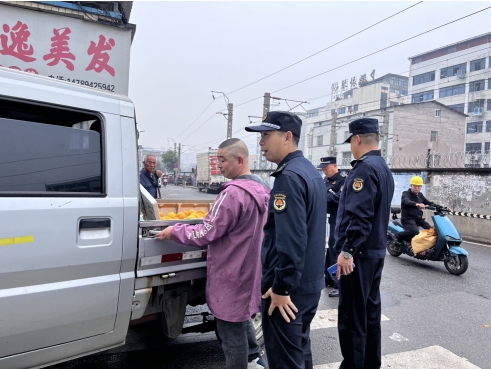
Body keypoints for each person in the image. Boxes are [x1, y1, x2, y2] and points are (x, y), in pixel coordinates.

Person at [155, 138, 269, 369]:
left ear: (239, 159)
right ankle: (255, 360)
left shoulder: (233, 194)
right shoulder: (264, 190)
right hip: (252, 269)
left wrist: (174, 231)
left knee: (230, 330)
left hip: (231, 272)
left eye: (222, 160)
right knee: (241, 316)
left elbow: (207, 232)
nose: (219, 166)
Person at [245, 111, 327, 369]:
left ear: (287, 137)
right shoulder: (309, 172)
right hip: (309, 284)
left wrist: (282, 288)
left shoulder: (288, 178)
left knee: (285, 362)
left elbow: (291, 240)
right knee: (300, 354)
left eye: (266, 136)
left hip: (289, 292)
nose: (261, 143)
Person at [334, 118, 395, 369]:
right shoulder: (383, 167)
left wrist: (347, 251)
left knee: (352, 317)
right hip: (375, 252)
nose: (351, 147)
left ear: (357, 139)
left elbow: (360, 216)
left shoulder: (363, 169)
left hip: (358, 256)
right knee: (370, 315)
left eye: (351, 142)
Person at [317, 156, 346, 297]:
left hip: (337, 220)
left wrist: (323, 197)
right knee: (328, 251)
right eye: (322, 169)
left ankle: (339, 284)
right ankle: (328, 277)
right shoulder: (326, 180)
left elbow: (340, 198)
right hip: (325, 219)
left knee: (336, 250)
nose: (324, 171)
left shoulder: (343, 180)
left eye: (326, 168)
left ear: (335, 166)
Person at [396, 176, 450, 242]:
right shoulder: (405, 193)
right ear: (411, 185)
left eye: (419, 186)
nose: (417, 188)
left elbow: (430, 203)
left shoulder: (420, 195)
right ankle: (397, 235)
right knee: (415, 232)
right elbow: (406, 201)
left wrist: (444, 208)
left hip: (418, 219)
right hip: (408, 219)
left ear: (421, 187)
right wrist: (417, 204)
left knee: (432, 230)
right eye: (415, 186)